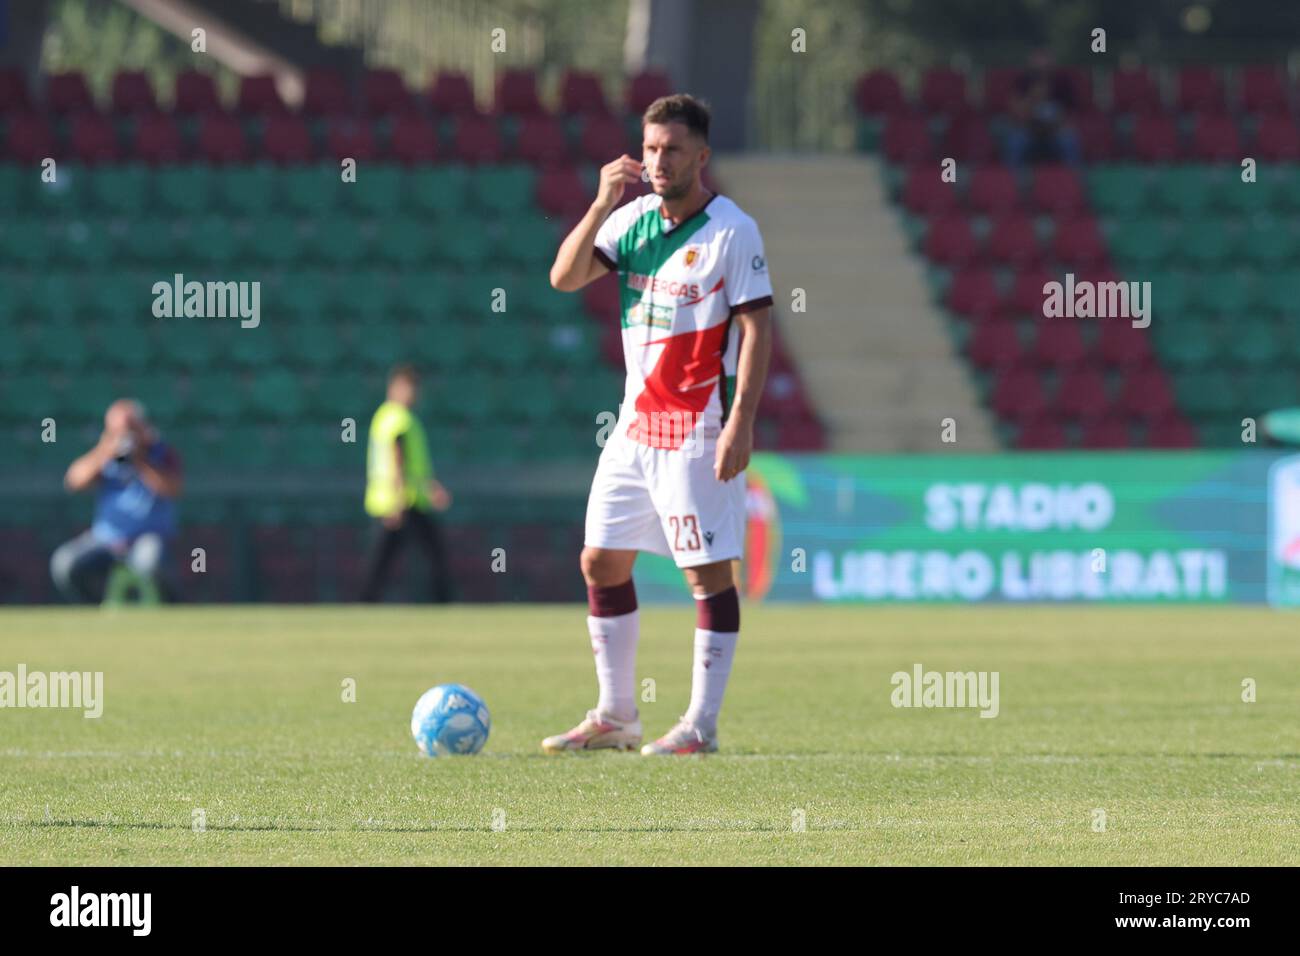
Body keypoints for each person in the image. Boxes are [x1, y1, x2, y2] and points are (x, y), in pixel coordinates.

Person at [543, 94, 773, 756]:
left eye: (671, 149)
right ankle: (617, 715)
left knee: (708, 576)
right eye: (649, 148)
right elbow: (564, 277)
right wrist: (599, 205)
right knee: (600, 561)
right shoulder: (633, 220)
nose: (657, 160)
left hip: (698, 428)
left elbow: (757, 328)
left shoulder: (732, 230)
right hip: (635, 428)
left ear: (701, 156)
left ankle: (700, 725)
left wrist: (741, 423)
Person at [51, 399, 183, 603]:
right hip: (106, 539)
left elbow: (171, 489)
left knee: (152, 564)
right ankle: (96, 615)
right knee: (66, 563)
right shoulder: (105, 457)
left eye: (130, 429)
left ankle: (168, 615)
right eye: (118, 430)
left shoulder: (161, 453)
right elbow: (73, 481)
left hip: (146, 538)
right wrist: (104, 451)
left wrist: (140, 459)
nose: (125, 436)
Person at [360, 365, 454, 602]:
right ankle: (441, 603)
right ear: (394, 388)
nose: (411, 394)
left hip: (407, 500)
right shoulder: (396, 417)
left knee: (392, 560)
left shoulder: (396, 416)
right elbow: (397, 457)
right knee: (419, 557)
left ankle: (365, 604)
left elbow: (413, 465)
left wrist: (430, 488)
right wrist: (398, 498)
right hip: (400, 502)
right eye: (407, 389)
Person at [1004, 50, 1082, 167]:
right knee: (1015, 141)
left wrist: (1058, 124)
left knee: (1069, 141)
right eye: (1038, 69)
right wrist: (1033, 97)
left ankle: (1074, 179)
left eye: (1046, 66)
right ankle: (1013, 180)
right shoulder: (1022, 81)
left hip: (1056, 129)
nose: (1042, 71)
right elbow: (1016, 111)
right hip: (1028, 128)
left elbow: (1071, 113)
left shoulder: (1063, 82)